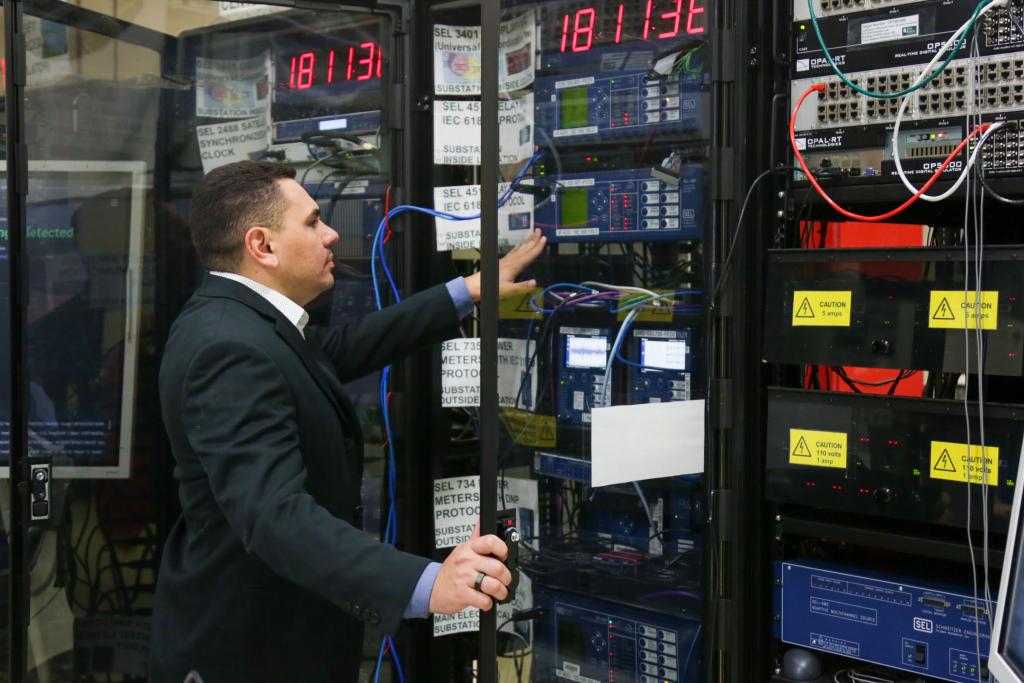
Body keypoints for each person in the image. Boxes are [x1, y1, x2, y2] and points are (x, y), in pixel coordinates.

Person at [150, 160, 546, 682]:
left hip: (274, 633)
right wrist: (428, 583)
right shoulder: (229, 348)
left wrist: (467, 291)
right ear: (262, 246)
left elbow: (339, 349)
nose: (332, 234)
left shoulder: (240, 322)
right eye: (313, 222)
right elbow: (276, 516)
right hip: (252, 648)